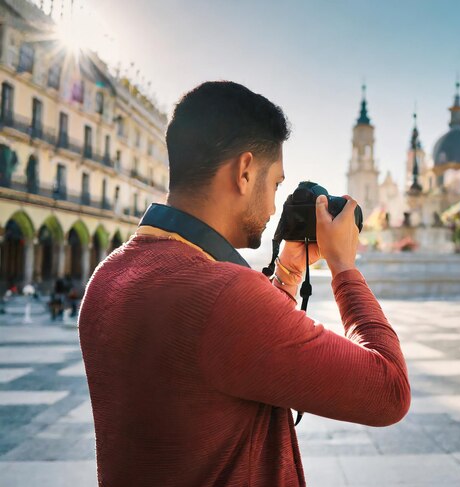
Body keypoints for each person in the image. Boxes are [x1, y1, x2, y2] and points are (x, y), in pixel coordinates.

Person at [78, 81, 410, 487]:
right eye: (274, 184)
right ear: (245, 171)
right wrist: (344, 267)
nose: (273, 206)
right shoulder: (222, 294)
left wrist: (288, 270)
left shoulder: (110, 274)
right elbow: (389, 391)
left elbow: (229, 354)